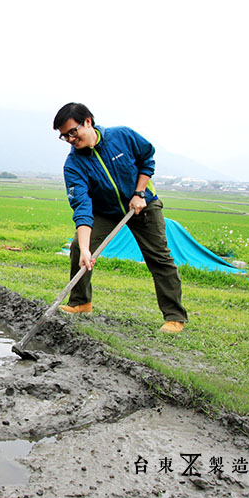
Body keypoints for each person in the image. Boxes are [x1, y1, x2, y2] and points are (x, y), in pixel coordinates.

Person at [52, 102, 187, 333]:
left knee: (159, 258)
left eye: (73, 132)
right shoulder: (74, 164)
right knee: (78, 247)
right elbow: (82, 207)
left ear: (88, 122)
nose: (71, 140)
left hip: (142, 204)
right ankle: (81, 302)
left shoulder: (121, 136)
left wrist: (139, 192)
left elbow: (147, 158)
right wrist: (86, 249)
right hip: (106, 211)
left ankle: (174, 316)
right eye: (65, 137)